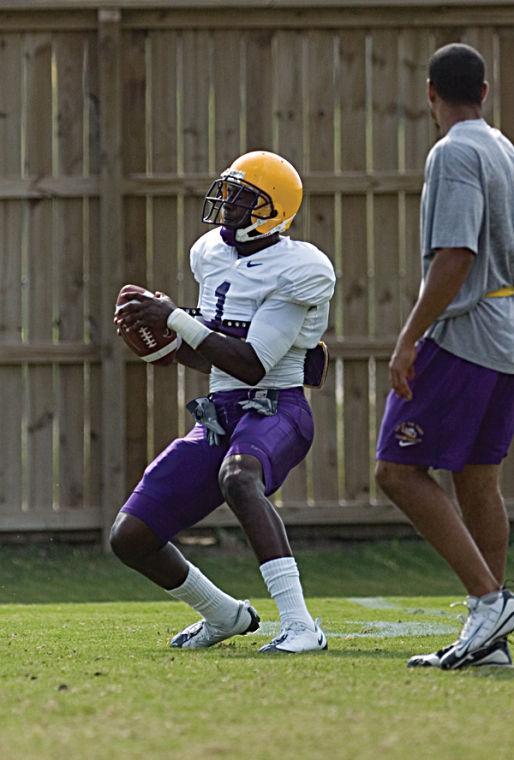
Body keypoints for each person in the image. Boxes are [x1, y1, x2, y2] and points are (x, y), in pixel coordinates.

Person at [112, 150, 336, 653]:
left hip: (278, 406)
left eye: (242, 197)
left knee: (240, 476)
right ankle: (223, 614)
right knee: (130, 537)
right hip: (222, 414)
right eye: (228, 191)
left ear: (272, 209)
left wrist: (172, 319)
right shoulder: (208, 252)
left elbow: (254, 364)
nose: (227, 203)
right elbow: (216, 355)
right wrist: (165, 351)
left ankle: (301, 624)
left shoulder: (300, 267)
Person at [375, 43, 514, 670]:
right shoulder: (505, 149)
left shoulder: (453, 151)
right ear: (484, 92)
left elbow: (455, 254)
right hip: (507, 335)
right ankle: (490, 640)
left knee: (397, 470)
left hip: (464, 335)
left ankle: (490, 602)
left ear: (431, 94)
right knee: (478, 478)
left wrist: (409, 338)